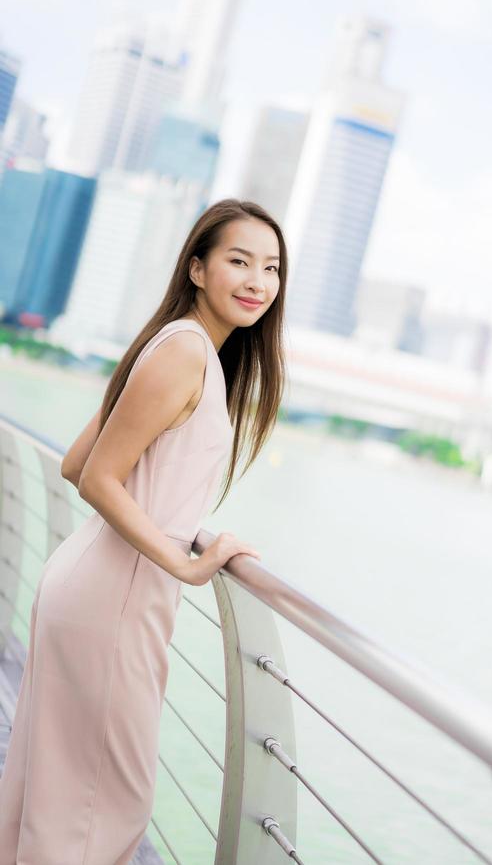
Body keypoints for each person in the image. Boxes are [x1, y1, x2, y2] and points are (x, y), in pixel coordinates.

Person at [0, 197, 287, 864]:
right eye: (238, 261)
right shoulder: (187, 354)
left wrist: (170, 528)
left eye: (271, 268)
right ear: (196, 267)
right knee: (104, 811)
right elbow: (99, 476)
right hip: (116, 604)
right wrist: (186, 558)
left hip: (96, 590)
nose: (257, 282)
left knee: (61, 797)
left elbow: (76, 463)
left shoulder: (174, 343)